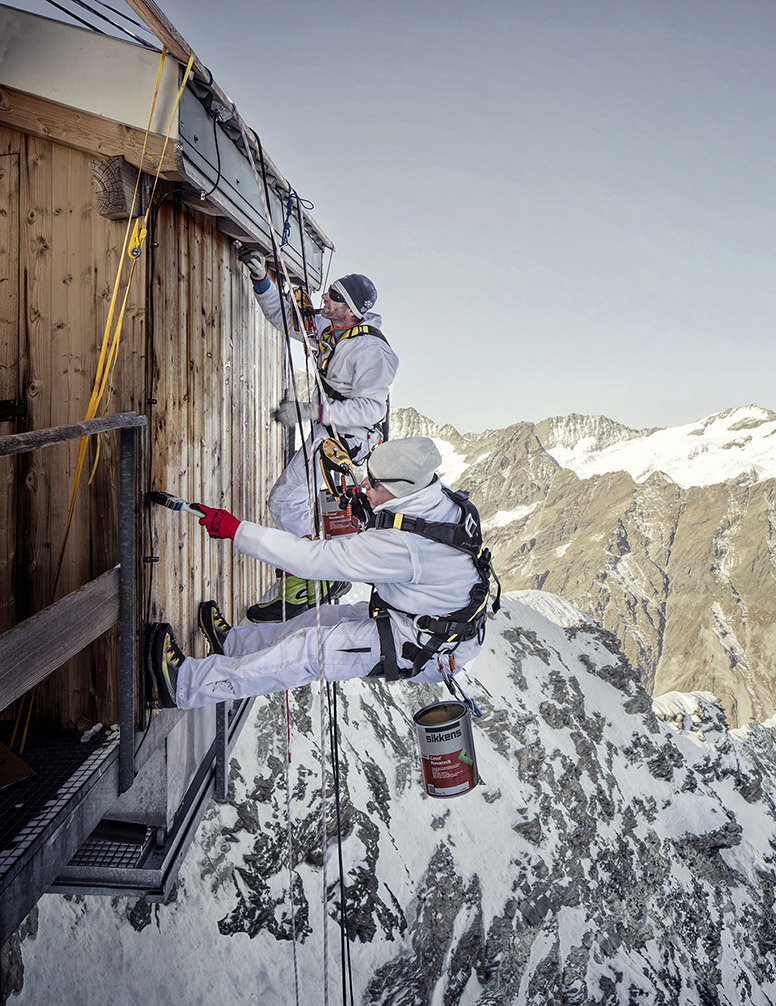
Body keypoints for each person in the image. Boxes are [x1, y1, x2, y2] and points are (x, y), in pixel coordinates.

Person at [147, 438, 496, 709]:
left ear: (398, 488)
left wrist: (238, 530)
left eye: (372, 482)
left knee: (309, 651)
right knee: (320, 619)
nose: (364, 483)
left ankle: (183, 686)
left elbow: (312, 560)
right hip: (426, 619)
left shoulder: (404, 547)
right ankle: (233, 644)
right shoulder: (437, 498)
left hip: (425, 646)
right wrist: (367, 504)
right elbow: (395, 522)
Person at [238, 249, 400, 621]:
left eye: (334, 297)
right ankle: (316, 569)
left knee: (285, 502)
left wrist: (316, 411)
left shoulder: (373, 352)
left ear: (353, 309)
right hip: (330, 430)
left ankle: (314, 572)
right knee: (299, 502)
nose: (324, 299)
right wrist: (262, 279)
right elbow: (290, 320)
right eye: (328, 293)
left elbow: (371, 409)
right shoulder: (333, 331)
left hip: (347, 438)